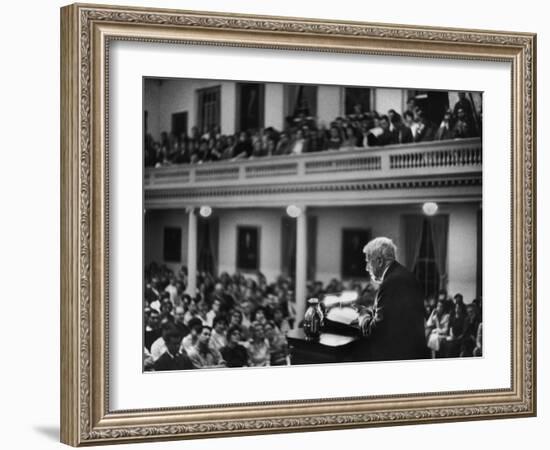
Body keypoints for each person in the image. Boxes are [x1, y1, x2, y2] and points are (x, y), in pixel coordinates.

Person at [356, 237, 427, 361]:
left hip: (399, 357)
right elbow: (394, 318)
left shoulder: (392, 282)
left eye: (368, 262)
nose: (367, 268)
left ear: (379, 261)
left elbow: (377, 330)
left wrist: (363, 318)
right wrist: (371, 313)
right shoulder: (403, 275)